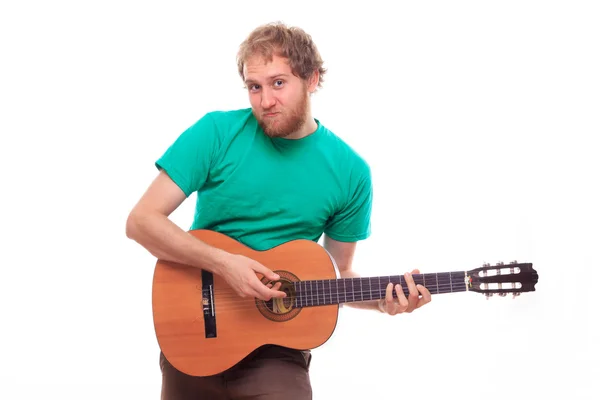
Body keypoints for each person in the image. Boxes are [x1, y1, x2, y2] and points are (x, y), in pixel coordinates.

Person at [126, 21, 432, 400]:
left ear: (312, 79)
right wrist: (225, 264)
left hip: (278, 349)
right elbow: (141, 222)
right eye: (255, 87)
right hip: (195, 330)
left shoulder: (351, 172)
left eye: (278, 83)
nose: (265, 101)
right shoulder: (216, 133)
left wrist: (384, 304)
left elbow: (339, 274)